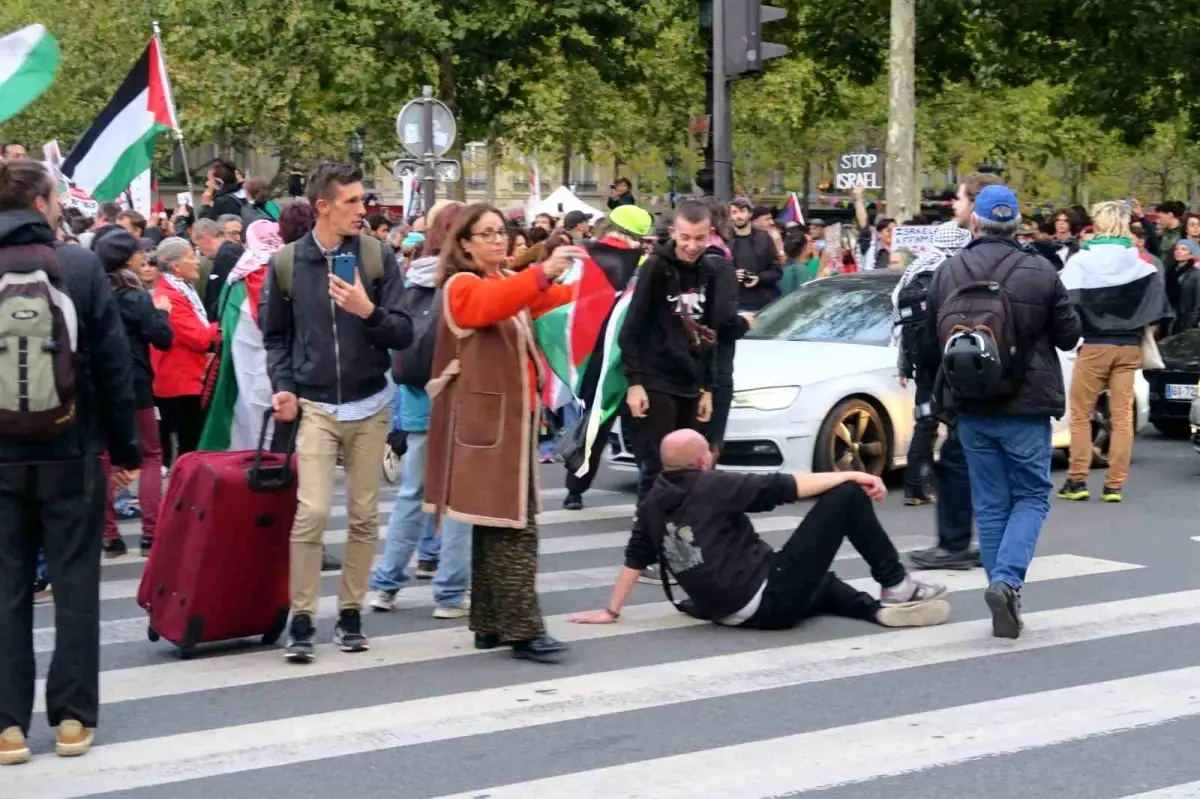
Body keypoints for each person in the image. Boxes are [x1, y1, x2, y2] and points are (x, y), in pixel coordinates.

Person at [0, 159, 140, 765]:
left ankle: (6, 727)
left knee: (5, 588)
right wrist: (126, 450)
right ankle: (73, 720)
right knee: (75, 583)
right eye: (55, 198)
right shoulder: (80, 267)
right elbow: (114, 367)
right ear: (41, 202)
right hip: (72, 449)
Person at [260, 161, 413, 662]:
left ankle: (350, 612)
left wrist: (366, 311)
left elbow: (403, 332)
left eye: (363, 200)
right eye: (351, 201)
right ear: (322, 206)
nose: (362, 209)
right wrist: (283, 387)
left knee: (365, 515)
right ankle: (302, 617)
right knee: (314, 511)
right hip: (315, 405)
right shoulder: (287, 263)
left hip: (369, 404)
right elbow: (276, 336)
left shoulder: (376, 256)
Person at [569, 430, 949, 630]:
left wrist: (610, 610)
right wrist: (854, 474)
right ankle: (896, 583)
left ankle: (876, 613)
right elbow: (786, 487)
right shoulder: (712, 485)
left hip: (727, 610)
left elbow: (636, 557)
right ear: (704, 460)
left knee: (820, 582)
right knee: (846, 498)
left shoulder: (651, 501)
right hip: (766, 598)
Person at [423, 203, 582, 662]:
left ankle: (489, 625)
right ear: (465, 243)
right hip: (486, 425)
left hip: (508, 423)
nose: (498, 240)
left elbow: (545, 303)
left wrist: (590, 279)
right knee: (515, 526)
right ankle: (522, 629)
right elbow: (491, 307)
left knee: (499, 526)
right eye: (487, 233)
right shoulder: (462, 284)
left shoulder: (499, 282)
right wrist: (540, 271)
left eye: (501, 232)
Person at [928, 184, 1081, 638]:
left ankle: (1001, 589)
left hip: (971, 404)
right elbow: (1069, 335)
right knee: (1032, 496)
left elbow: (929, 339)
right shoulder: (1041, 269)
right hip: (1027, 404)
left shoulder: (948, 270)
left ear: (974, 222)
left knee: (991, 504)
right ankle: (1007, 581)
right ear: (1017, 225)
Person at [368, 203, 472, 617]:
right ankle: (449, 593)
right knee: (460, 499)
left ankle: (385, 585)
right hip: (459, 397)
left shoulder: (411, 274)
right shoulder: (465, 283)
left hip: (415, 397)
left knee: (412, 494)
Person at [619, 200, 727, 583]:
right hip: (654, 378)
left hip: (689, 379)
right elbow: (631, 330)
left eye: (699, 238)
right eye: (685, 237)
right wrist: (635, 382)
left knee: (688, 472)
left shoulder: (711, 271)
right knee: (657, 469)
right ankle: (644, 551)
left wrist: (707, 388)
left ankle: (678, 548)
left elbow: (711, 333)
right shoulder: (655, 268)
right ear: (673, 233)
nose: (692, 245)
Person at [1057, 201, 1173, 503]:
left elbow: (1062, 304)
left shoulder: (1081, 261)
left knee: (1081, 414)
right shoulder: (1143, 266)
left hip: (1094, 344)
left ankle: (1077, 479)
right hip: (1130, 345)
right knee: (1122, 418)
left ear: (1098, 224)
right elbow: (1159, 311)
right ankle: (1114, 485)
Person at [562, 205, 654, 511]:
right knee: (642, 427)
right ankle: (649, 490)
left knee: (595, 426)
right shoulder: (646, 264)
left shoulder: (585, 258)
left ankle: (574, 490)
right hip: (637, 358)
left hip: (598, 356)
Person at [94, 228, 173, 558]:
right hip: (136, 383)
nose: (144, 259)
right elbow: (163, 338)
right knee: (151, 455)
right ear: (128, 259)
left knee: (104, 456)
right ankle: (150, 534)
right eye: (139, 254)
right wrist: (162, 312)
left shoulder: (92, 294)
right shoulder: (139, 297)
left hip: (100, 384)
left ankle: (110, 536)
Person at [151, 238, 221, 460]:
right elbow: (199, 338)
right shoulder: (170, 296)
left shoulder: (182, 290)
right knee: (189, 450)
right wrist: (222, 325)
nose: (198, 262)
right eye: (191, 256)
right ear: (175, 266)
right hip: (180, 383)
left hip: (185, 380)